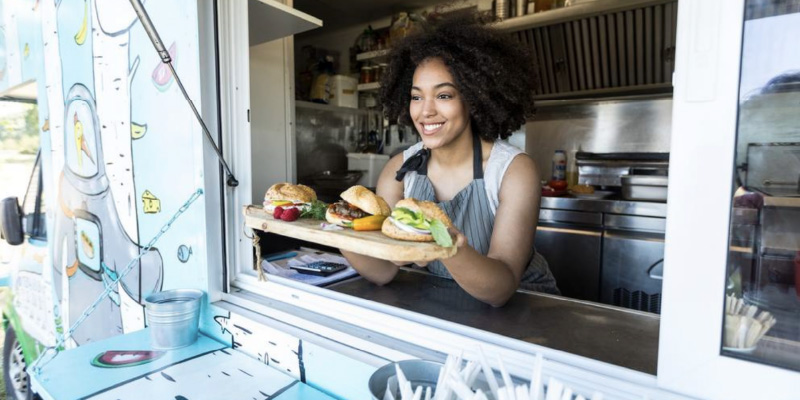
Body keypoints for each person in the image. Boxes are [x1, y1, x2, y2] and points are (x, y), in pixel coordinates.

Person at [341, 14, 559, 307]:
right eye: (416, 97)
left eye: (444, 95)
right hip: (445, 304)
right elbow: (384, 270)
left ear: (474, 98)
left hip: (525, 310)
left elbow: (501, 288)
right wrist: (341, 233)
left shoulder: (512, 170)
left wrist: (446, 243)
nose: (425, 112)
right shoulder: (399, 170)